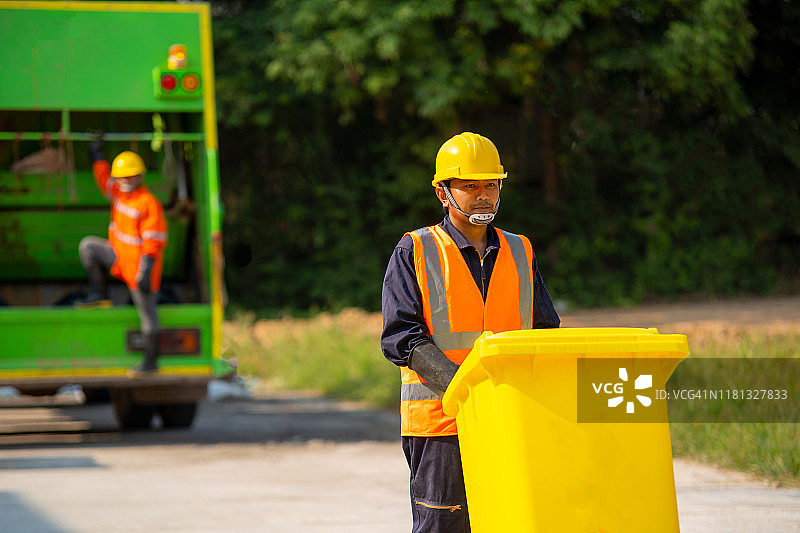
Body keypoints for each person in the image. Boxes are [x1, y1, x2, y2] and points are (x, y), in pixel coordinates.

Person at [380, 132, 560, 532]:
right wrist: (465, 390)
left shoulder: (520, 250)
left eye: (491, 185)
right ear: (443, 194)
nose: (483, 196)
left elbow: (545, 332)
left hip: (511, 420)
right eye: (470, 186)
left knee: (510, 522)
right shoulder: (415, 249)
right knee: (443, 525)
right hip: (440, 424)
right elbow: (401, 337)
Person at [76, 139, 168, 376]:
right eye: (122, 177)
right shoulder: (118, 194)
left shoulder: (148, 203)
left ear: (140, 176)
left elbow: (154, 240)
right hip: (119, 257)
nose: (125, 180)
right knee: (88, 246)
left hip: (139, 267)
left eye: (131, 176)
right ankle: (99, 294)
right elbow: (103, 179)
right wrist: (97, 155)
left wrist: (146, 271)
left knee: (148, 315)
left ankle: (150, 362)